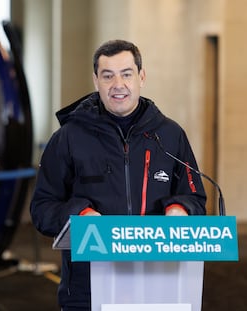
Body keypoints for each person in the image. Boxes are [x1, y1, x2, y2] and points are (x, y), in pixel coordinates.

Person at [29, 39, 207, 310]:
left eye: (126, 74)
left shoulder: (170, 135)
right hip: (87, 290)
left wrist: (181, 208)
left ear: (141, 77)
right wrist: (79, 214)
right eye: (107, 76)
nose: (118, 85)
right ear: (96, 80)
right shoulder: (67, 138)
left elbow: (195, 197)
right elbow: (42, 209)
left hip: (157, 285)